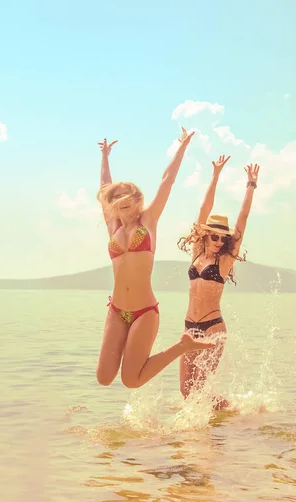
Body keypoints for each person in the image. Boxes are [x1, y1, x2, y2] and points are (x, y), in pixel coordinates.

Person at [95, 128, 215, 390]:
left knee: (131, 380)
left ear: (137, 200)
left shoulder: (148, 221)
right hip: (117, 310)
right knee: (103, 378)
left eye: (127, 195)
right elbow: (105, 187)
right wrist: (105, 156)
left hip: (144, 312)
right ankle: (183, 345)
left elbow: (167, 180)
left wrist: (182, 146)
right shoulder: (112, 225)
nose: (121, 200)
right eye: (116, 198)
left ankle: (182, 346)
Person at [177, 158, 260, 409]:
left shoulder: (225, 261)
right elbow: (203, 210)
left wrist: (251, 185)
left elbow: (242, 221)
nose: (218, 241)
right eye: (214, 236)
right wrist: (215, 175)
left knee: (201, 390)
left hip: (213, 328)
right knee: (185, 390)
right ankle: (228, 414)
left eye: (222, 238)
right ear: (205, 234)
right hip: (190, 327)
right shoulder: (196, 253)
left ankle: (226, 419)